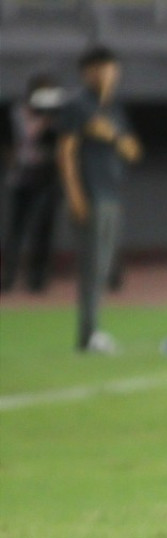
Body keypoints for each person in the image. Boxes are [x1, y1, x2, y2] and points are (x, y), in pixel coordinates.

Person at [55, 46, 142, 353]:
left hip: (111, 193)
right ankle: (88, 334)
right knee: (92, 268)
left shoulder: (113, 109)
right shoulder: (78, 105)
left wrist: (113, 136)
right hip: (90, 194)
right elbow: (65, 152)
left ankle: (92, 332)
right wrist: (75, 195)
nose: (107, 74)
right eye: (100, 68)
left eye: (111, 68)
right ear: (87, 72)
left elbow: (133, 151)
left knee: (104, 268)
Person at [1, 73, 64, 294]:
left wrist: (50, 124)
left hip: (46, 178)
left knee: (43, 229)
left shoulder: (56, 117)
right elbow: (9, 142)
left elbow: (60, 144)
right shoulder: (16, 112)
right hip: (21, 177)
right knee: (16, 229)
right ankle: (7, 276)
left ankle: (37, 279)